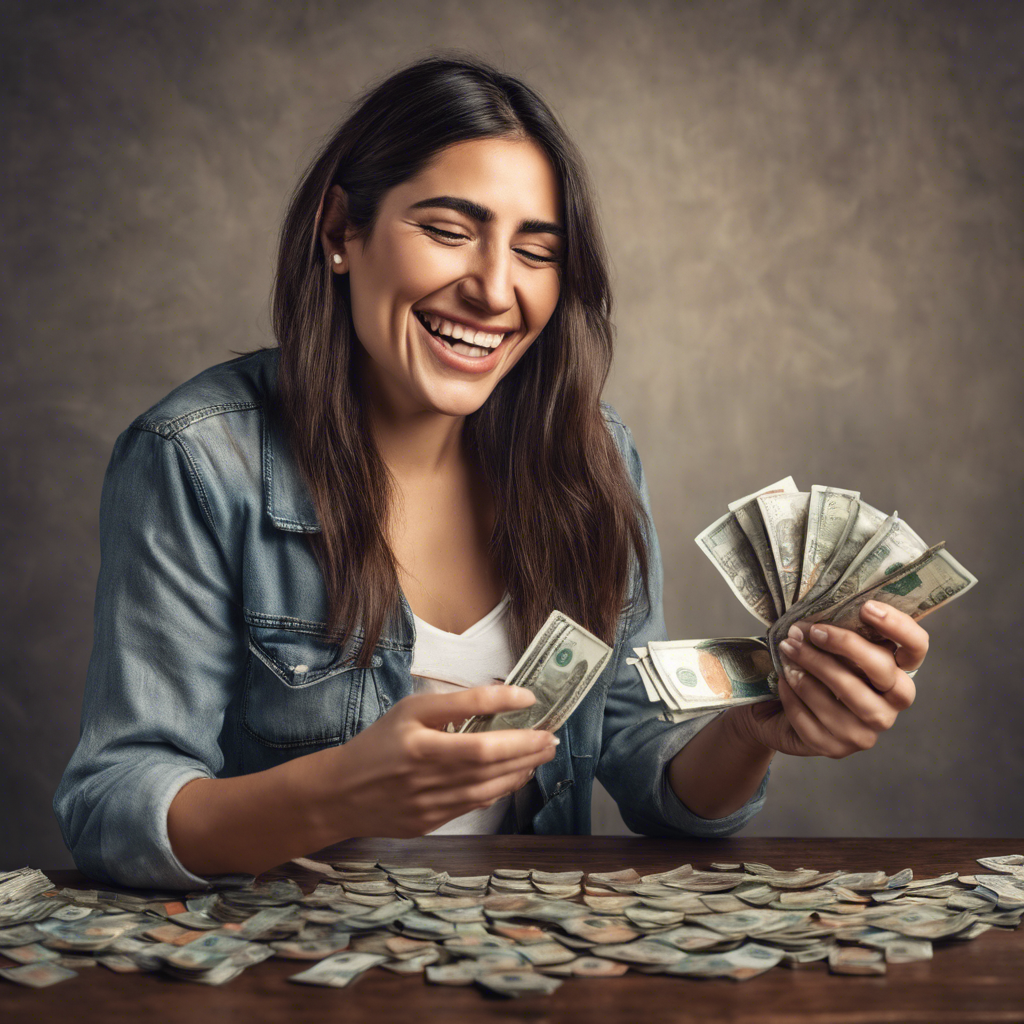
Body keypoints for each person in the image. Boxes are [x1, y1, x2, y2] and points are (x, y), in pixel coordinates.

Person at [53, 54, 928, 891]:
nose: (494, 290)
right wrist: (340, 792)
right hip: (284, 978)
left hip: (522, 981)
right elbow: (113, 807)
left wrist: (754, 730)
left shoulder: (593, 457)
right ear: (339, 231)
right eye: (448, 231)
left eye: (536, 251)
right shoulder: (198, 459)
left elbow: (646, 768)